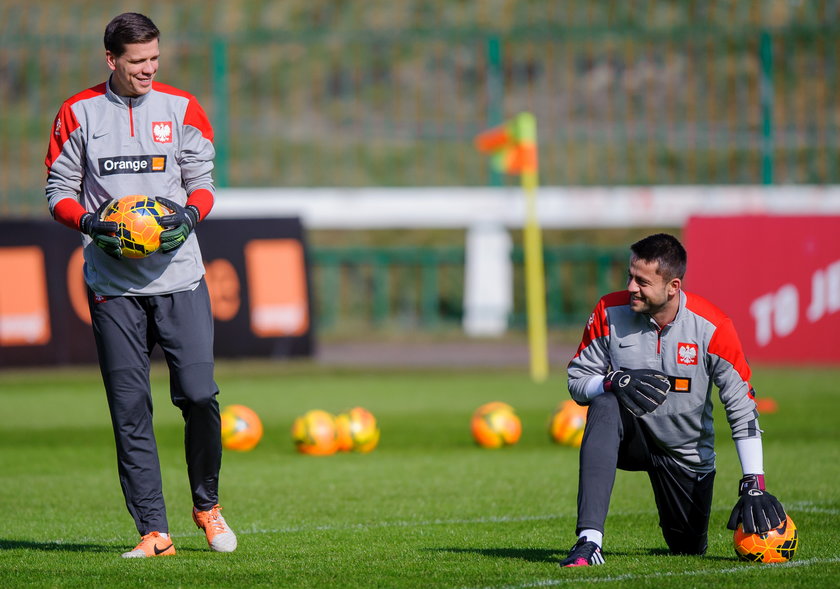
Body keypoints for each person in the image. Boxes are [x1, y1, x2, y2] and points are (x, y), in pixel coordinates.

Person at [44, 12, 236, 558]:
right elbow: (58, 188)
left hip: (181, 279)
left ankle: (207, 505)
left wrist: (190, 217)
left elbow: (203, 182)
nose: (149, 69)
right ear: (111, 60)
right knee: (130, 411)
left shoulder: (182, 108)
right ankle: (154, 531)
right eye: (137, 62)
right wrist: (88, 222)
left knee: (199, 396)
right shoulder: (76, 113)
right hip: (112, 288)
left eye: (154, 58)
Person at [561, 233, 785, 566]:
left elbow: (741, 407)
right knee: (605, 403)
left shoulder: (714, 327)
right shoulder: (609, 310)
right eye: (630, 276)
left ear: (673, 286)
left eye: (642, 281)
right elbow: (577, 382)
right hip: (631, 435)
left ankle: (687, 531)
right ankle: (589, 541)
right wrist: (610, 381)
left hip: (685, 453)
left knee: (687, 548)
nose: (631, 287)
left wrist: (754, 480)